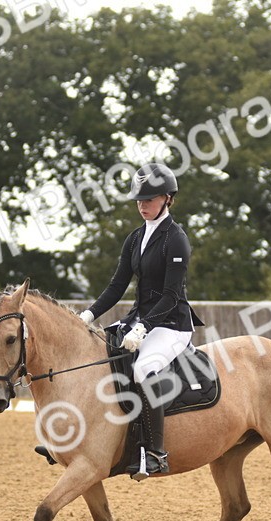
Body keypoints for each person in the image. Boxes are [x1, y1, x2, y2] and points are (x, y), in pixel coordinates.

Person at [78, 163, 204, 479]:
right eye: (139, 199)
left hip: (172, 324)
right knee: (99, 353)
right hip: (140, 320)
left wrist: (144, 327)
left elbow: (171, 295)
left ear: (167, 199)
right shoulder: (135, 238)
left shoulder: (176, 239)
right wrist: (88, 315)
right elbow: (117, 285)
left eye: (149, 199)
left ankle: (155, 454)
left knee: (143, 368)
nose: (142, 205)